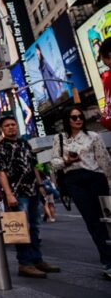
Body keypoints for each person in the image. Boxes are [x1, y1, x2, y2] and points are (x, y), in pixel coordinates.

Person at [0, 114, 60, 278]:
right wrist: (8, 194)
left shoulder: (25, 143)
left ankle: (37, 260)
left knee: (35, 226)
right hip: (17, 193)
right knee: (22, 228)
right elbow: (1, 173)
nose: (11, 127)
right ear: (2, 129)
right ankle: (24, 263)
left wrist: (40, 185)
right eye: (7, 125)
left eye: (13, 124)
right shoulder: (0, 148)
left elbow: (33, 166)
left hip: (33, 191)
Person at [51, 105, 111, 279]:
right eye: (74, 117)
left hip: (95, 178)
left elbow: (104, 161)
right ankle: (107, 261)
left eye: (80, 116)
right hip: (74, 181)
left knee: (107, 220)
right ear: (67, 120)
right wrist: (66, 160)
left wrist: (108, 182)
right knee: (93, 222)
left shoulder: (93, 136)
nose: (78, 120)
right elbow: (54, 162)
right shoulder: (60, 139)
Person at [99, 38, 111, 131]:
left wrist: (104, 119)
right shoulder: (107, 78)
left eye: (101, 57)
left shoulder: (108, 80)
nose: (102, 61)